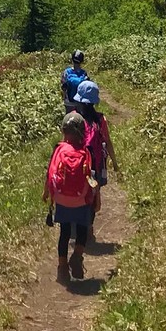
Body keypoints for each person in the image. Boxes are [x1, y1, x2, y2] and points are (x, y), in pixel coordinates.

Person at [44, 111, 96, 280]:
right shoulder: (86, 152)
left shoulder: (59, 149)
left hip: (61, 198)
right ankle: (77, 256)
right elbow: (90, 178)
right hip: (80, 200)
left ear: (64, 131)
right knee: (81, 230)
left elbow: (50, 173)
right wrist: (95, 197)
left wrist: (47, 193)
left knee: (65, 232)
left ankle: (62, 268)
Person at [72, 81, 114, 235]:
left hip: (78, 163)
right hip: (95, 164)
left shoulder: (73, 118)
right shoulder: (100, 119)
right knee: (93, 193)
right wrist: (114, 163)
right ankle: (89, 226)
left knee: (77, 190)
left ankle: (77, 223)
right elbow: (108, 142)